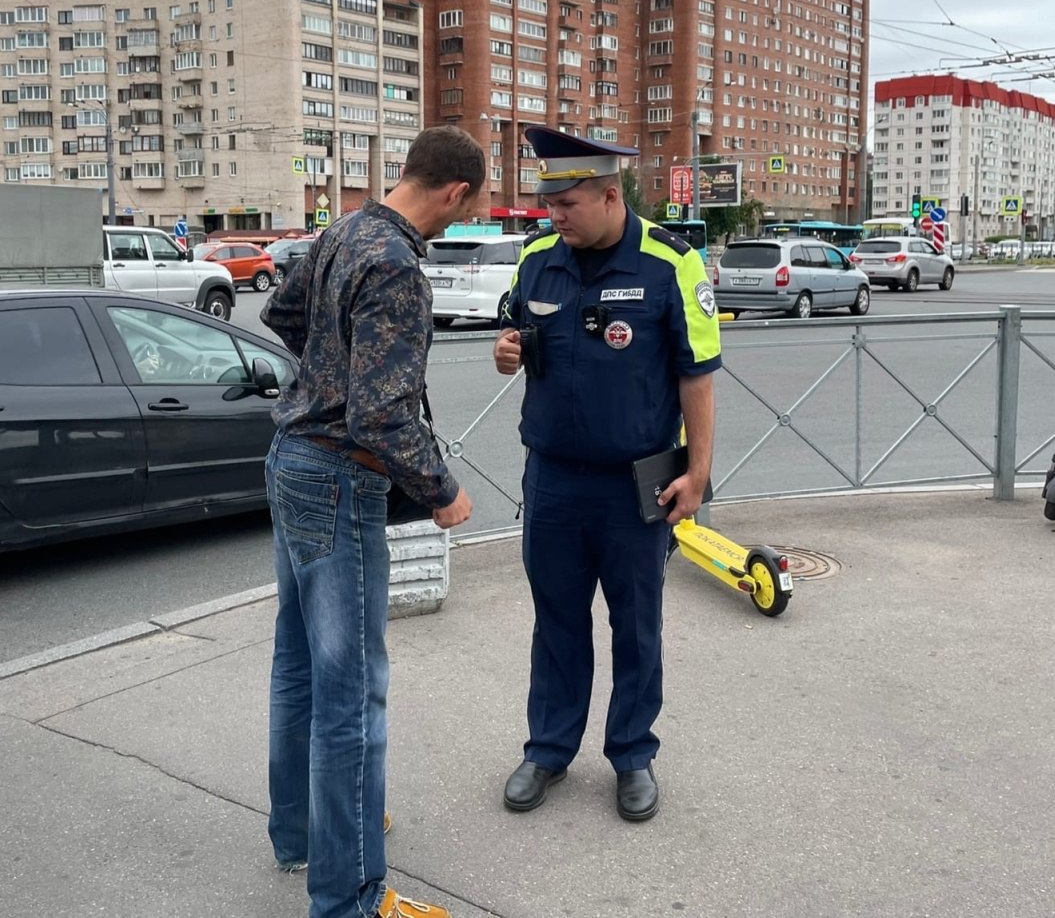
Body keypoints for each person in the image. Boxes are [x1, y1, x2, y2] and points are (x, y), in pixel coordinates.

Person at [259, 125, 483, 918]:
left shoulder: (342, 231)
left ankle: (302, 837)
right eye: (465, 210)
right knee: (353, 697)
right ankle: (351, 897)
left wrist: (330, 363)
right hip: (340, 479)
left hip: (290, 458)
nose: (458, 223)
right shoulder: (396, 264)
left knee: (299, 668)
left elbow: (281, 314)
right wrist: (442, 490)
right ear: (455, 192)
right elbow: (382, 417)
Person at [492, 127, 722, 823]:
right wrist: (505, 351)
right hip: (554, 479)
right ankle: (549, 749)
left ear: (609, 195)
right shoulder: (535, 260)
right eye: (547, 202)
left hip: (638, 484)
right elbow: (512, 334)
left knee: (636, 624)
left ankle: (632, 756)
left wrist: (699, 473)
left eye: (566, 202)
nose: (553, 215)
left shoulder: (672, 265)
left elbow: (699, 377)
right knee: (557, 620)